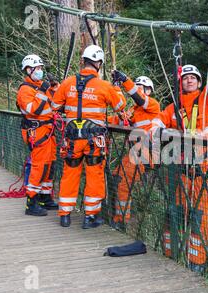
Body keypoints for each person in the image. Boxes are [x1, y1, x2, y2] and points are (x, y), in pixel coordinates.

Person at [150, 45, 208, 272]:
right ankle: (172, 255)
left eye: (194, 77)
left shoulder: (207, 101)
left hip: (205, 167)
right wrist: (158, 131)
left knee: (199, 215)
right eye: (186, 78)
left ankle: (197, 263)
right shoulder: (174, 107)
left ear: (200, 82)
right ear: (180, 82)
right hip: (182, 167)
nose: (190, 80)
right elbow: (158, 121)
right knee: (175, 210)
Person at [51, 45, 127, 228]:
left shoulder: (68, 83)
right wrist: (116, 88)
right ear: (99, 64)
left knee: (69, 174)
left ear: (83, 61)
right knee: (94, 175)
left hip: (71, 138)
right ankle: (90, 216)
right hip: (94, 139)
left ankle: (65, 215)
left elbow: (54, 106)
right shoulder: (103, 85)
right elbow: (120, 106)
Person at [108, 72, 160, 228]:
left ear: (149, 90)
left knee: (122, 181)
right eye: (137, 87)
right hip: (136, 154)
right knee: (117, 177)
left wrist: (125, 80)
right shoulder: (133, 110)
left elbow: (139, 97)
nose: (138, 90)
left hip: (148, 154)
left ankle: (121, 220)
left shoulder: (152, 104)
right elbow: (118, 120)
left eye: (142, 88)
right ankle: (118, 215)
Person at [16, 54, 60, 216]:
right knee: (39, 166)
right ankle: (31, 202)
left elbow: (56, 104)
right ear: (28, 70)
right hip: (37, 132)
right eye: (38, 68)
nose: (41, 71)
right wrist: (43, 90)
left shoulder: (42, 87)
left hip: (48, 131)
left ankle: (45, 197)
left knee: (50, 165)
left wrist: (55, 88)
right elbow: (33, 110)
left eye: (41, 68)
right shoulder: (25, 90)